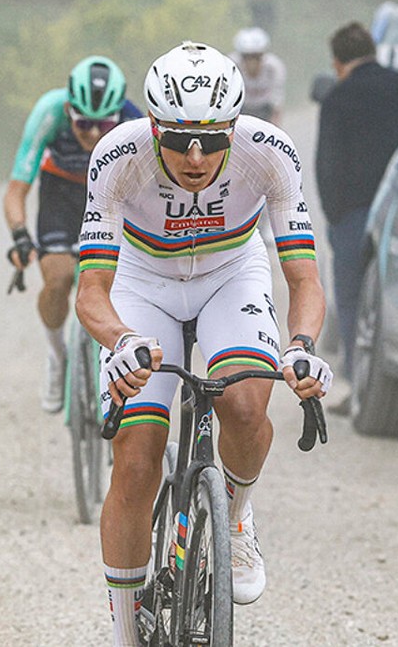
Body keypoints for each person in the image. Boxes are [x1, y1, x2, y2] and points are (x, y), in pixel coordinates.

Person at [76, 41, 333, 646]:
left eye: (214, 140)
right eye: (180, 139)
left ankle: (236, 517)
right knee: (138, 455)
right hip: (143, 282)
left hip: (229, 275)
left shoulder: (268, 154)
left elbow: (303, 278)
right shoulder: (118, 154)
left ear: (234, 128)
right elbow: (92, 291)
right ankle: (124, 631)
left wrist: (300, 346)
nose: (196, 156)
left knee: (245, 407)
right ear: (153, 126)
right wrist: (120, 341)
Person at [4, 56, 143, 414]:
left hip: (111, 198)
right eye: (83, 123)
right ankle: (56, 355)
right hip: (61, 194)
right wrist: (20, 236)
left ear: (118, 114)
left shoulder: (135, 120)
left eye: (104, 124)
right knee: (60, 278)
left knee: (117, 287)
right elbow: (17, 189)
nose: (94, 134)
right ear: (69, 109)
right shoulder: (48, 113)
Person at [314, 22, 398, 414]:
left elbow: (326, 164)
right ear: (373, 51)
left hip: (355, 214)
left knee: (352, 300)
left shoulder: (338, 98)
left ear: (338, 61)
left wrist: (334, 216)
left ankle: (361, 388)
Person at [229, 27, 286, 126]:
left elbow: (277, 97)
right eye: (247, 57)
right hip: (240, 109)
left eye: (256, 57)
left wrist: (275, 127)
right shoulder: (231, 65)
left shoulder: (274, 67)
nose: (252, 62)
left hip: (264, 110)